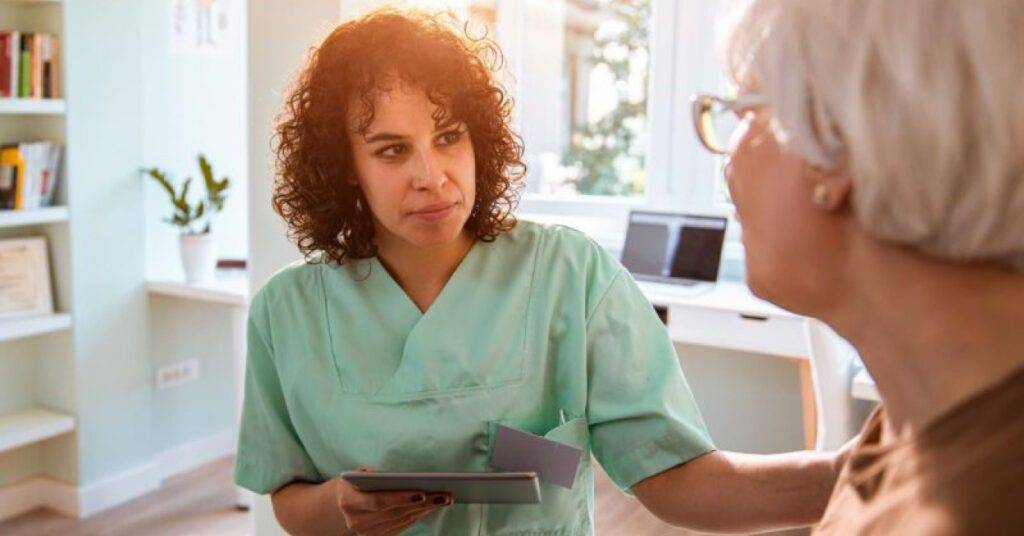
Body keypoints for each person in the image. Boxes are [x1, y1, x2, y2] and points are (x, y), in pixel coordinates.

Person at [236, 8, 846, 535]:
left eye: (449, 136)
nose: (432, 174)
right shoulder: (285, 313)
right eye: (392, 150)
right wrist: (339, 508)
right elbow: (288, 502)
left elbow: (680, 479)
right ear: (346, 167)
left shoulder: (569, 275)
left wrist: (857, 474)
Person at [695, 0, 1024, 533]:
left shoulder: (983, 507)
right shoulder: (915, 416)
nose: (727, 159)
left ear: (838, 144)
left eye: (746, 110)